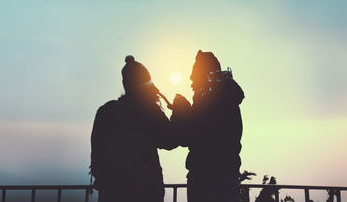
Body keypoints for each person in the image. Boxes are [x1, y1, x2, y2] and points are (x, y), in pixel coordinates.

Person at [90, 55, 179, 202]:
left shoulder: (105, 112)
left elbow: (97, 154)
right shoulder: (150, 111)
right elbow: (170, 141)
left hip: (112, 191)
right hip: (146, 191)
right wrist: (179, 114)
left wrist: (104, 181)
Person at [171, 50, 245, 202]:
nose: (191, 80)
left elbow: (190, 137)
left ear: (205, 76)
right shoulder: (227, 98)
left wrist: (182, 111)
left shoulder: (211, 102)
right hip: (226, 178)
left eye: (194, 75)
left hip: (205, 181)